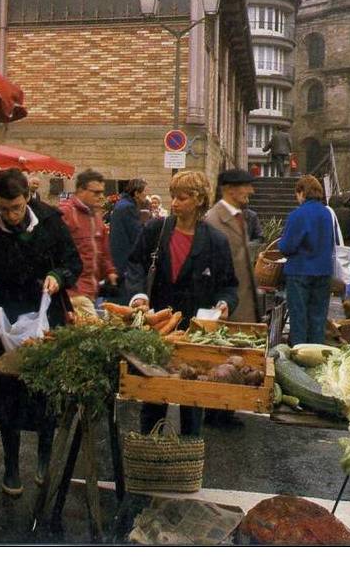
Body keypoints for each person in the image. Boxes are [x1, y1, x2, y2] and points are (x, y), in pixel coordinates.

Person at [0, 169, 82, 496]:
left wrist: (57, 275)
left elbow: (73, 262)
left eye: (15, 207)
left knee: (45, 387)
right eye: (3, 209)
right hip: (7, 312)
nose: (11, 216)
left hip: (47, 307)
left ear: (27, 197)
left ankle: (43, 457)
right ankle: (11, 466)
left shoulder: (50, 221)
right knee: (6, 390)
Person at [126, 170, 238, 436]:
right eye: (173, 197)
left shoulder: (215, 241)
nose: (174, 203)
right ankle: (148, 456)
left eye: (182, 198)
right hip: (156, 331)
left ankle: (187, 462)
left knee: (192, 402)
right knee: (152, 400)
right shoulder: (155, 230)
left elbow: (229, 285)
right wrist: (138, 295)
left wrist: (224, 303)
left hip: (194, 335)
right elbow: (134, 265)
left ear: (199, 200)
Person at [276, 175, 333, 346]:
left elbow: (287, 246)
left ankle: (299, 355)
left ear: (302, 193)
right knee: (318, 317)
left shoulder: (297, 214)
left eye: (297, 194)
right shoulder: (327, 213)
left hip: (300, 271)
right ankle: (315, 356)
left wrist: (281, 242)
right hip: (323, 271)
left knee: (299, 317)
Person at [59, 169, 117, 317]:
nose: (101, 197)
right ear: (80, 190)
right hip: (72, 293)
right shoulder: (65, 213)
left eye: (102, 192)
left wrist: (110, 272)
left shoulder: (96, 217)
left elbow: (103, 252)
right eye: (96, 193)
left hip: (90, 291)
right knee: (96, 334)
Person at [204, 169, 259, 323]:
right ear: (230, 190)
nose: (251, 191)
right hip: (228, 310)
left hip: (244, 305)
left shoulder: (239, 217)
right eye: (246, 186)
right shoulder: (213, 220)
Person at [109, 178, 147, 300]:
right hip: (126, 262)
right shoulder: (128, 207)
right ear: (136, 193)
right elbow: (137, 235)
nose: (146, 195)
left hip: (119, 260)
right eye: (145, 192)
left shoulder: (121, 204)